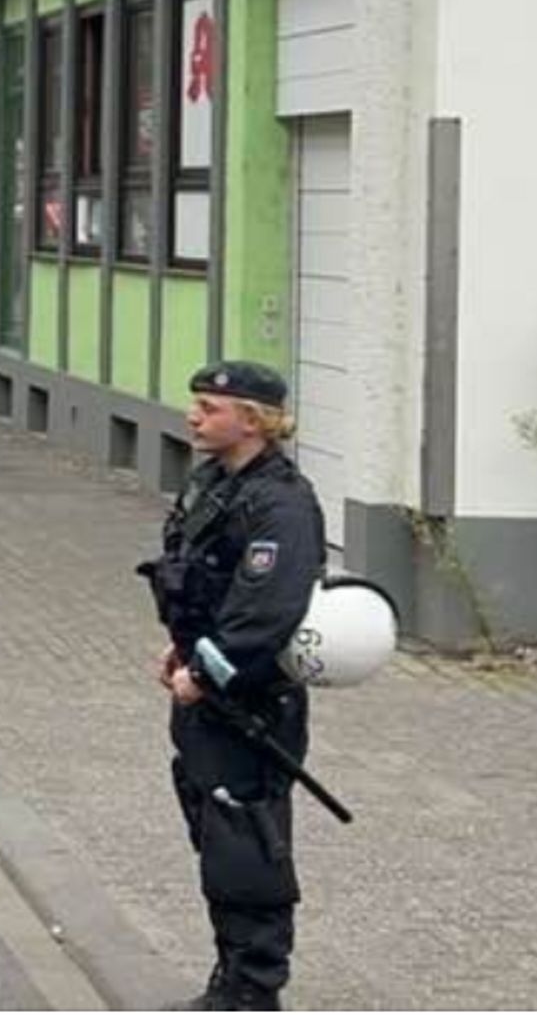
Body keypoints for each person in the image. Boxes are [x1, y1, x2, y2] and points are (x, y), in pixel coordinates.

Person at [144, 362, 327, 1013]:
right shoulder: (215, 483)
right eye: (195, 403)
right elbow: (202, 580)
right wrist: (182, 645)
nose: (193, 417)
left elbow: (265, 612)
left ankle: (254, 989)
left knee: (248, 845)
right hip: (207, 699)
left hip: (253, 704)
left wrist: (204, 672)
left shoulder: (281, 502)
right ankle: (230, 977)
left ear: (253, 420)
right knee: (217, 841)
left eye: (209, 407)